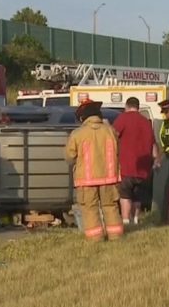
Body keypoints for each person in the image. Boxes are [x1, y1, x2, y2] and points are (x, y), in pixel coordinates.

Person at [65, 99, 123, 241]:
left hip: (86, 181)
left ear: (82, 117)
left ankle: (95, 239)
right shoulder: (111, 131)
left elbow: (69, 157)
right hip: (109, 179)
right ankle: (115, 236)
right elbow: (118, 150)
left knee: (89, 209)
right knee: (111, 207)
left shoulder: (77, 134)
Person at [113, 97, 157, 225]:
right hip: (144, 168)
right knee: (138, 196)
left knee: (125, 194)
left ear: (127, 106)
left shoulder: (123, 118)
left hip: (127, 165)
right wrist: (156, 160)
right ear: (138, 107)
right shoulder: (146, 122)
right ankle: (136, 219)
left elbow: (113, 134)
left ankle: (126, 220)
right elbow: (153, 144)